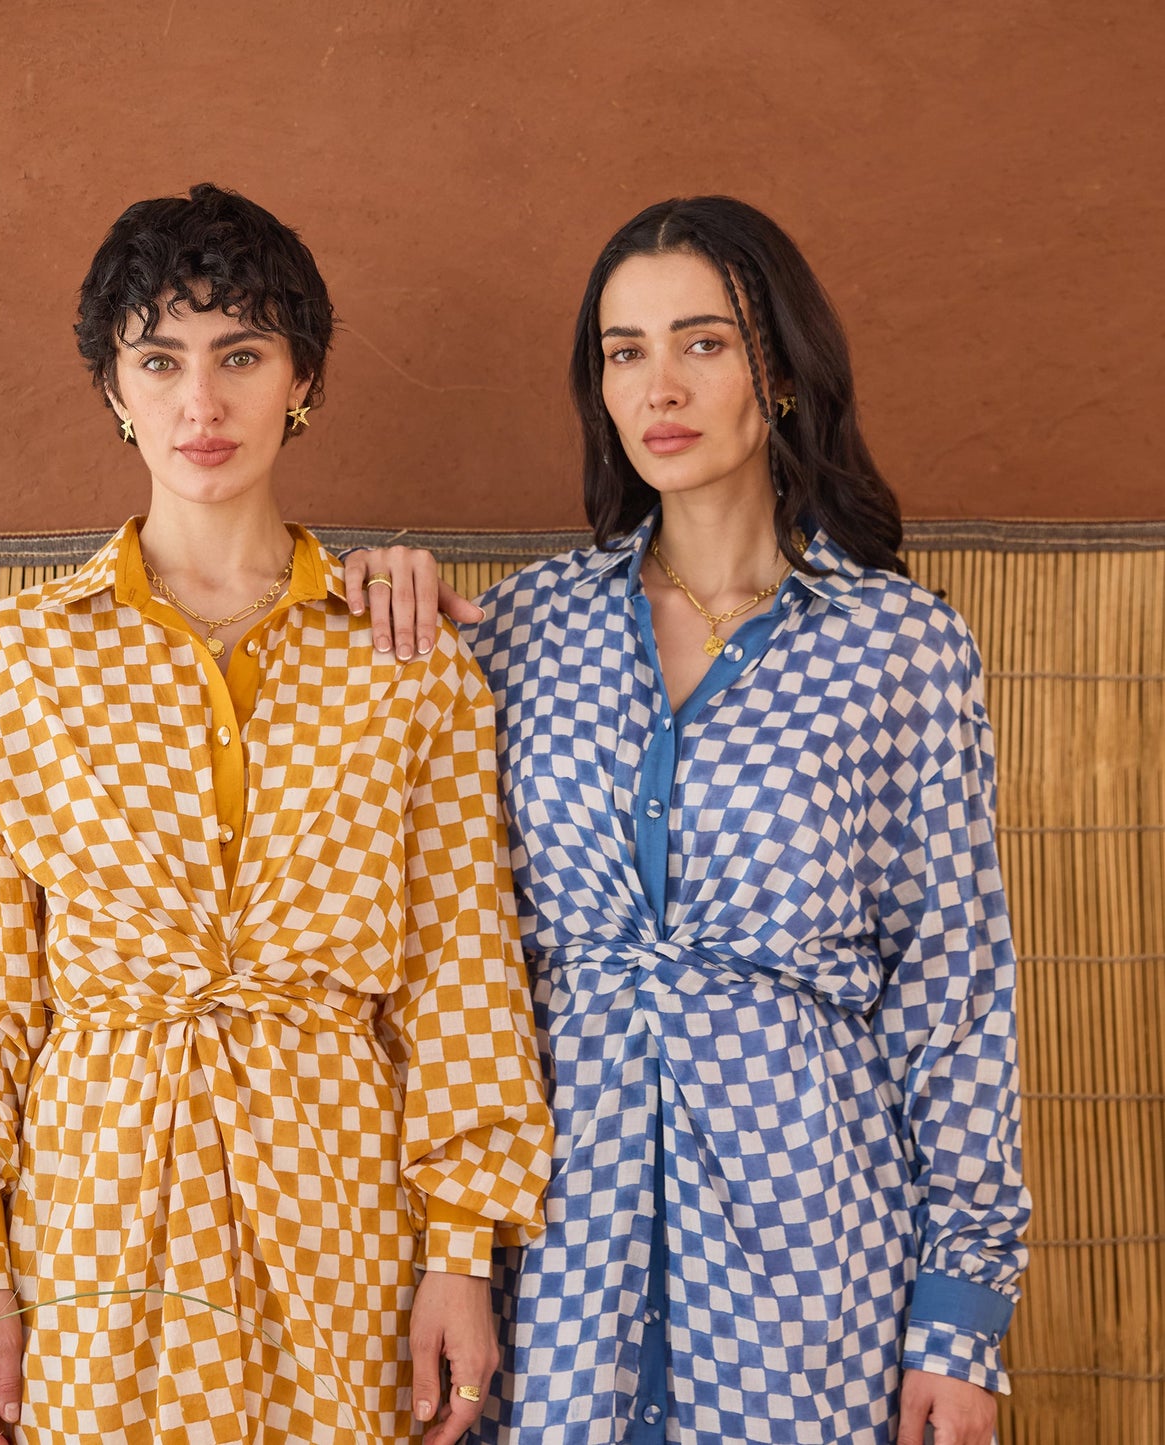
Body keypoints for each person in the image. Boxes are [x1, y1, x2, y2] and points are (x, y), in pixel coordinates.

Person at [343, 196, 1028, 1445]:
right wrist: (375, 590)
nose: (658, 385)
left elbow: (954, 996)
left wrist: (957, 1321)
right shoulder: (520, 630)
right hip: (559, 1244)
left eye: (701, 342)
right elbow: (438, 934)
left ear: (780, 369)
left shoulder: (900, 648)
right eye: (624, 351)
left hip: (810, 1254)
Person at [0, 182, 553, 1445]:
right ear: (113, 388)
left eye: (240, 355)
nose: (200, 404)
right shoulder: (18, 658)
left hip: (340, 1208)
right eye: (160, 360)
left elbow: (461, 970)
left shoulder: (404, 659)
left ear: (301, 379)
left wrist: (458, 1253)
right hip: (90, 1207)